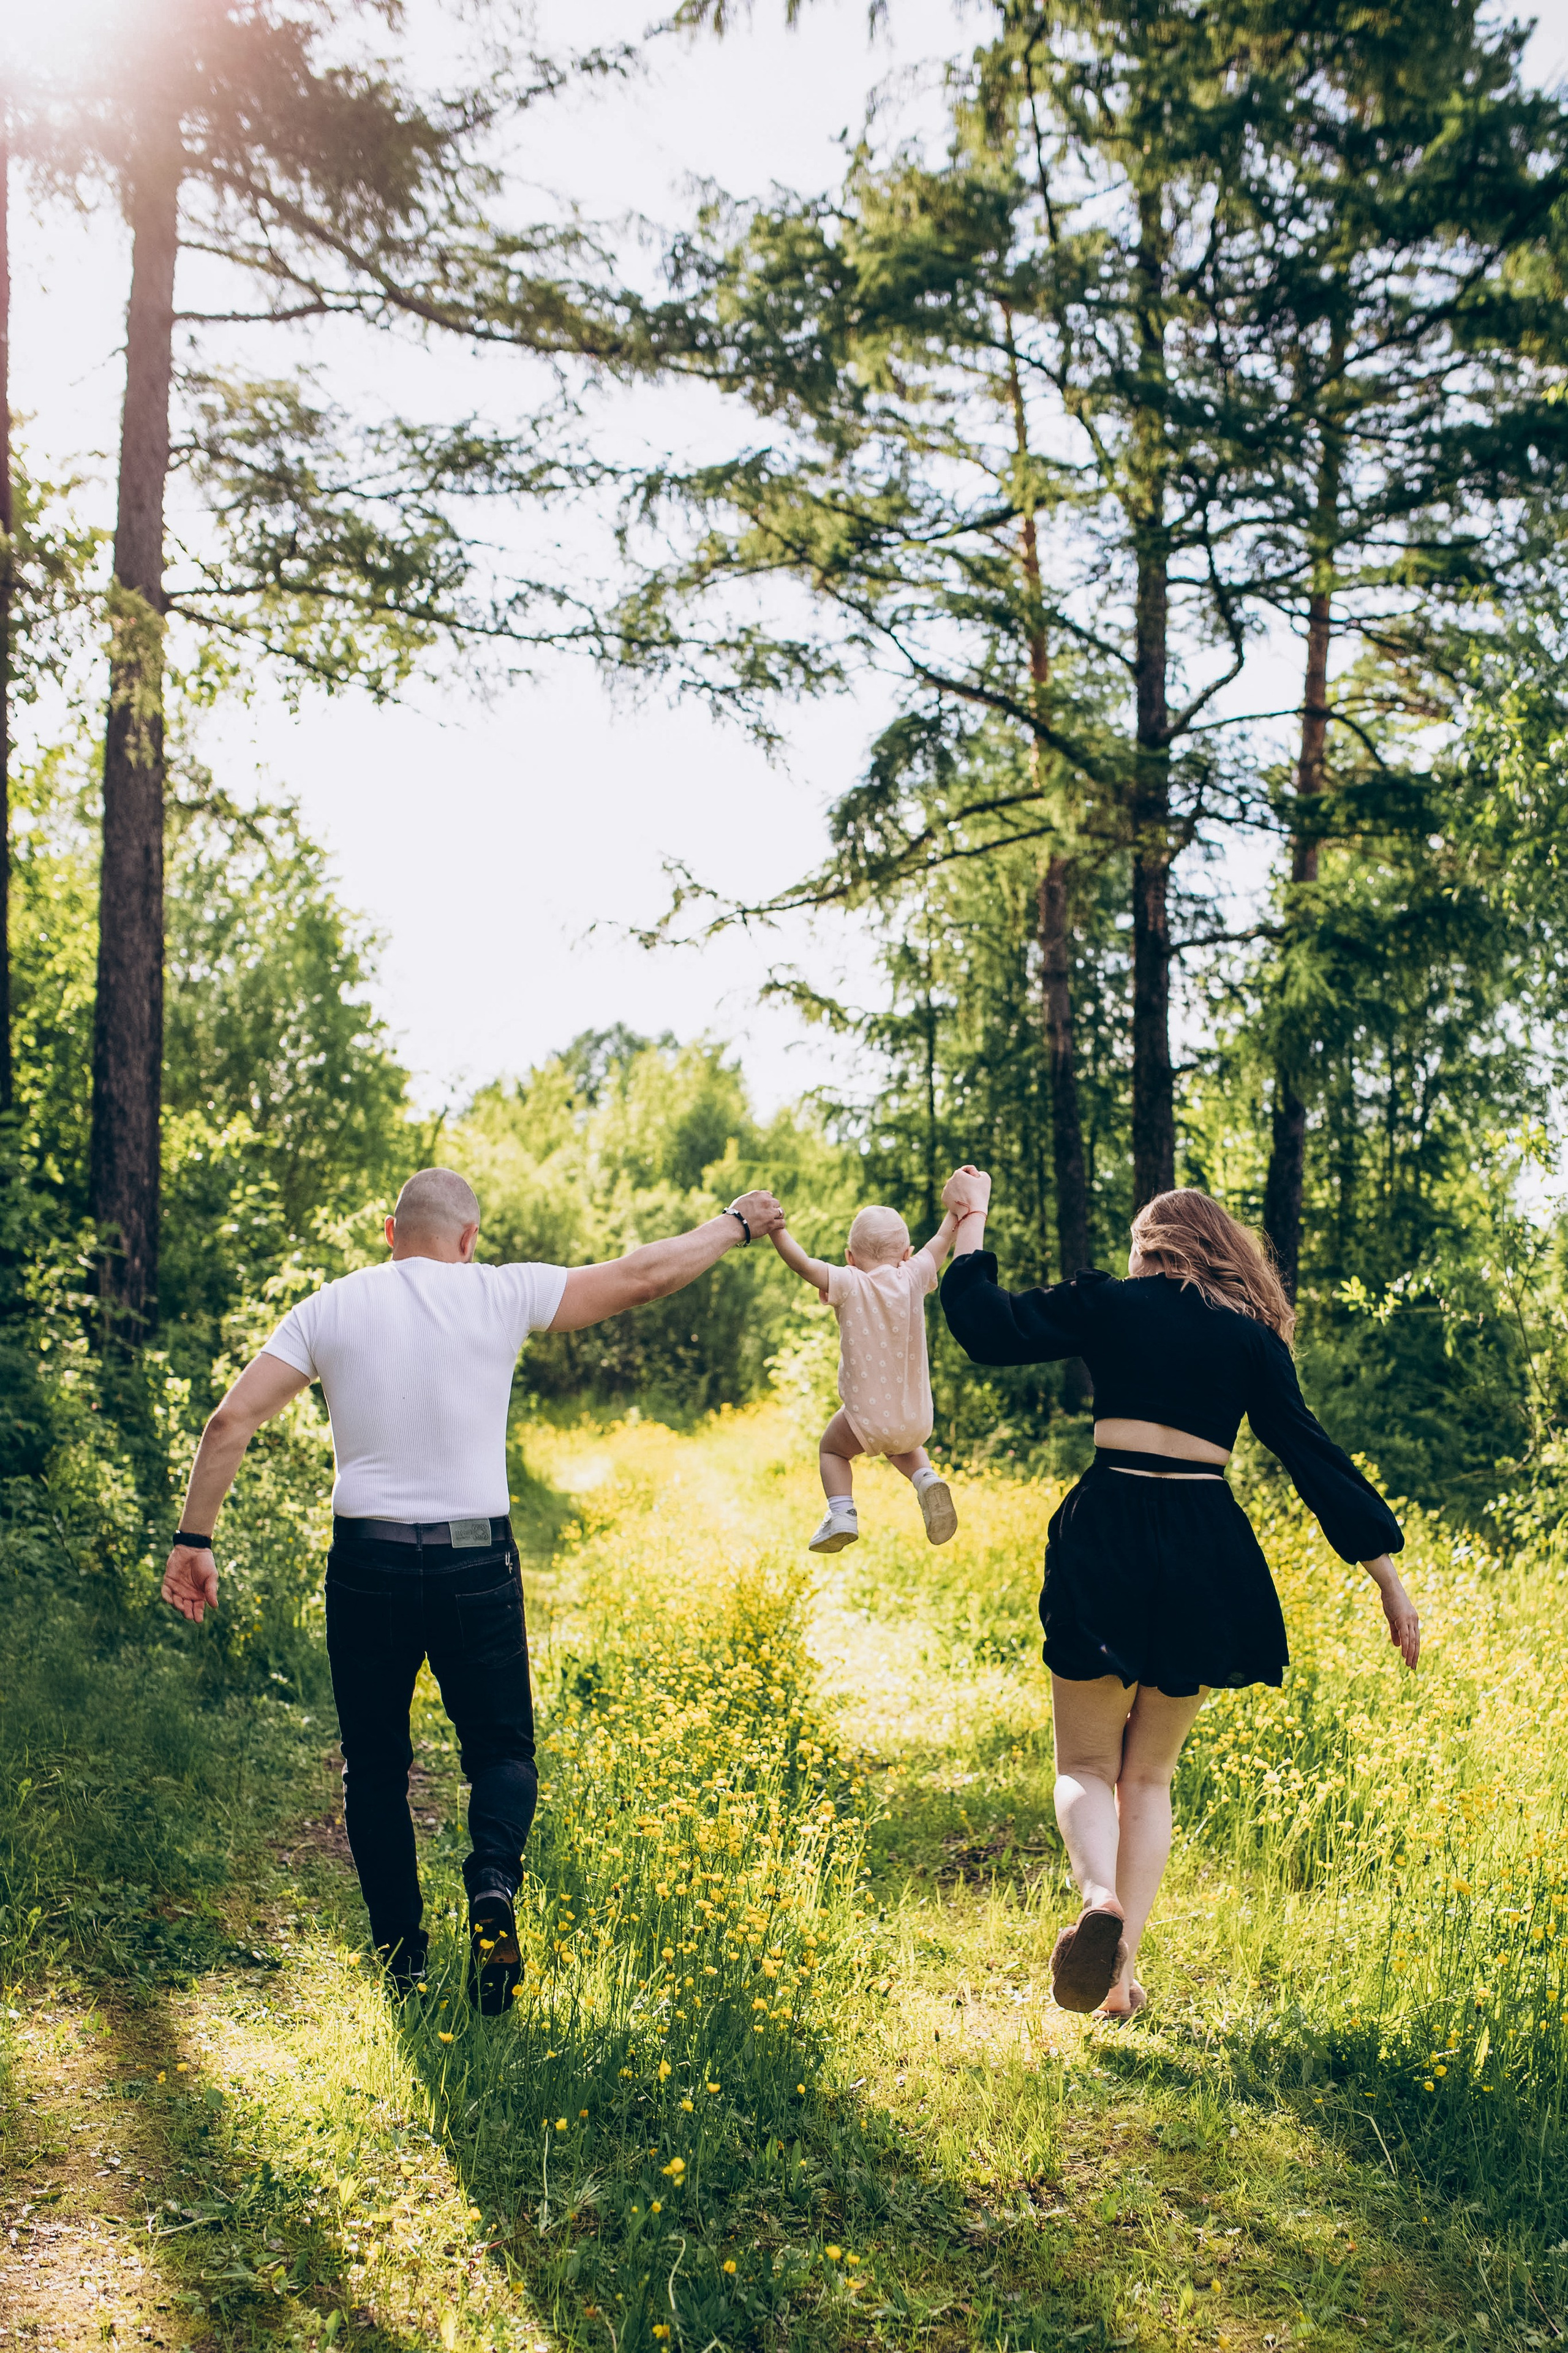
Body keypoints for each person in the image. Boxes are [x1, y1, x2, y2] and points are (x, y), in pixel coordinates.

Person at [161, 1166, 784, 2013]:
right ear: (468, 1239)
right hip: (474, 1561)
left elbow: (228, 1421)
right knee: (501, 1752)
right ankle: (491, 1885)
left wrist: (193, 1540)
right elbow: (643, 1275)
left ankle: (402, 1961)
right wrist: (735, 1226)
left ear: (389, 1231)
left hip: (367, 1562)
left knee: (375, 1766)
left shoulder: (329, 1307)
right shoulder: (501, 1292)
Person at [938, 1166, 1418, 2019]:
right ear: (1219, 1249)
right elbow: (1312, 1455)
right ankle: (1119, 1978)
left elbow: (986, 1326)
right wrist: (1385, 1571)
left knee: (1086, 1763)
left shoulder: (1110, 1302)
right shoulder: (1249, 1340)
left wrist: (970, 1220)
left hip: (1109, 1530)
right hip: (1205, 1548)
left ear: (1150, 1249)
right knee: (1149, 1777)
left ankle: (1097, 1901)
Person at [771, 1201, 960, 1553]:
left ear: (850, 1256)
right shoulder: (914, 1274)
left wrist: (776, 1230)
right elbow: (941, 1241)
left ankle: (841, 1513)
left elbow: (804, 1265)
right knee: (902, 1443)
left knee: (832, 1450)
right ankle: (927, 1479)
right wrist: (955, 1212)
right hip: (917, 1419)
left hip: (866, 1418)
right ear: (907, 1253)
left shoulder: (849, 1281)